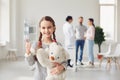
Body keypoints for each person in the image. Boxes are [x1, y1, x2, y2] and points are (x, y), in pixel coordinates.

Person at [25, 16, 67, 80]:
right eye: (43, 28)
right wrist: (28, 52)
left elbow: (65, 61)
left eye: (49, 27)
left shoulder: (58, 45)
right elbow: (31, 63)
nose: (46, 30)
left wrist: (62, 67)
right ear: (40, 29)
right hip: (39, 77)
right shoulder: (36, 44)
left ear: (54, 28)